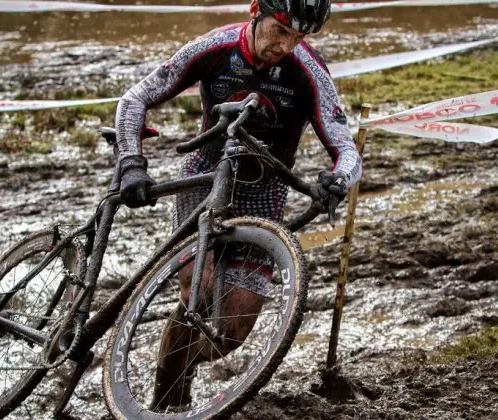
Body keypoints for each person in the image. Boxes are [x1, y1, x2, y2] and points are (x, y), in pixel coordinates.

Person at [113, 0, 362, 409]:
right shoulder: (214, 48)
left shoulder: (309, 72)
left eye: (298, 38)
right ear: (255, 12)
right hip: (206, 177)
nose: (286, 46)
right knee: (200, 289)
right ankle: (165, 403)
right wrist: (131, 163)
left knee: (232, 329)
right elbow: (134, 99)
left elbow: (346, 149)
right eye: (280, 31)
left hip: (264, 191)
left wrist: (338, 180)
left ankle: (180, 371)